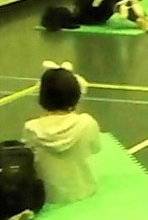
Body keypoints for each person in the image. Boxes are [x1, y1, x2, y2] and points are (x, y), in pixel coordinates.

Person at [22, 62, 104, 205]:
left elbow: (29, 161)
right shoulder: (87, 122)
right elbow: (96, 148)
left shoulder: (31, 128)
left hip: (47, 195)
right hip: (84, 190)